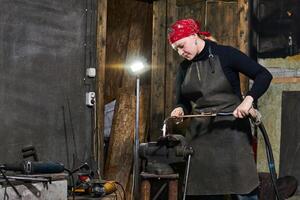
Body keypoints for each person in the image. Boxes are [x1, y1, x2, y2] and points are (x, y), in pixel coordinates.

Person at [168, 18, 273, 200]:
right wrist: (179, 109)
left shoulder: (225, 54)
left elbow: (264, 75)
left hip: (233, 132)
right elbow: (182, 100)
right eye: (176, 49)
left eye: (182, 45)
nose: (180, 52)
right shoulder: (184, 68)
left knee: (243, 189)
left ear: (194, 36)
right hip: (201, 137)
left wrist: (248, 100)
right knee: (203, 191)